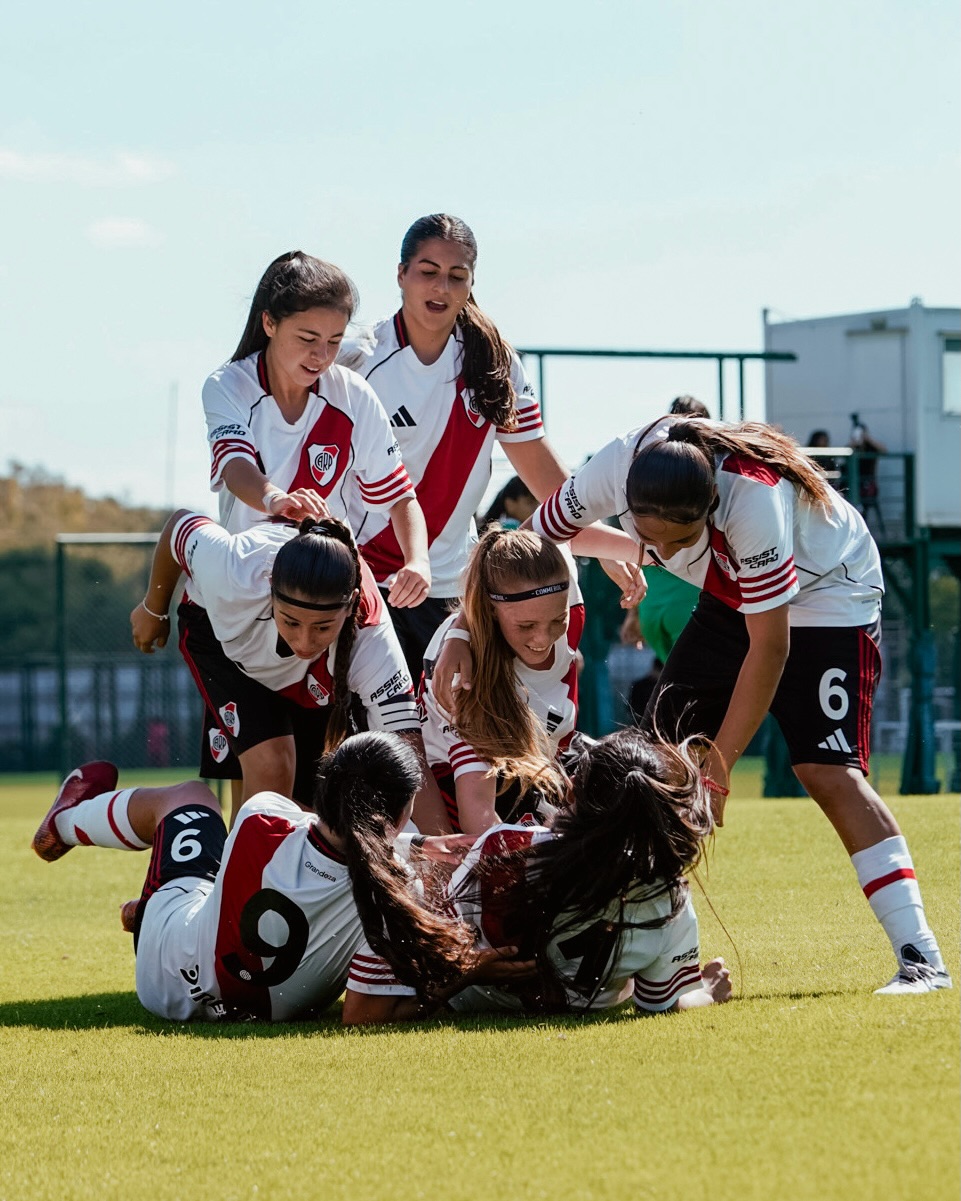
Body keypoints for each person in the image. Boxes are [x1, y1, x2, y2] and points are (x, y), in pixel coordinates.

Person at [524, 416, 950, 995]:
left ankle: (922, 959)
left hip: (828, 592)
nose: (664, 555)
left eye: (679, 541)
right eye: (653, 542)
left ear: (711, 506)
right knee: (652, 769)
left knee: (825, 770)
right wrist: (464, 638)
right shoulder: (615, 469)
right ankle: (651, 965)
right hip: (732, 591)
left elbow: (769, 647)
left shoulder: (753, 501)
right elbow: (531, 541)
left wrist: (717, 777)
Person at [342, 213, 642, 676]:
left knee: (447, 741)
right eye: (428, 272)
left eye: (456, 276)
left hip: (449, 592)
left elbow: (546, 477)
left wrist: (607, 545)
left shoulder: (496, 365)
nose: (441, 288)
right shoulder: (357, 358)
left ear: (471, 283)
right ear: (401, 274)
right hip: (362, 581)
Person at [30, 734, 504, 1022]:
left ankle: (69, 824)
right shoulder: (400, 891)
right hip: (229, 999)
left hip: (164, 971)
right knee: (214, 876)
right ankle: (134, 893)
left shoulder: (261, 818)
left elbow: (323, 840)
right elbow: (365, 1012)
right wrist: (467, 969)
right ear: (401, 815)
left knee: (191, 798)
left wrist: (405, 842)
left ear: (325, 789)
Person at [342, 728, 732, 1024]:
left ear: (570, 792)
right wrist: (709, 991)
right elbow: (663, 1004)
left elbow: (446, 922)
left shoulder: (504, 846)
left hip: (473, 1003)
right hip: (592, 1006)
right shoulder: (670, 900)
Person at [130, 511, 448, 832]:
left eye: (323, 627)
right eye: (291, 622)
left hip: (310, 675)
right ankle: (245, 878)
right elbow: (179, 526)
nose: (304, 642)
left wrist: (448, 854)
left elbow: (410, 760)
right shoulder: (235, 569)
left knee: (323, 795)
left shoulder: (372, 638)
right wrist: (153, 608)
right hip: (219, 642)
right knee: (272, 766)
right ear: (270, 589)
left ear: (351, 604)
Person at [202, 251, 430, 611]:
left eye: (335, 341)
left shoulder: (353, 394)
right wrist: (277, 499)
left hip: (335, 593)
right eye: (307, 338)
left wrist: (418, 561)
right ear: (269, 323)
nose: (322, 355)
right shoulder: (228, 385)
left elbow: (400, 496)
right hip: (251, 589)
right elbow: (235, 468)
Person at [419, 527, 584, 835]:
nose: (543, 638)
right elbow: (479, 819)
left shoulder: (560, 576)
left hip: (543, 762)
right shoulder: (465, 679)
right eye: (526, 626)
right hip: (462, 785)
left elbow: (550, 527)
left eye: (558, 620)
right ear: (491, 612)